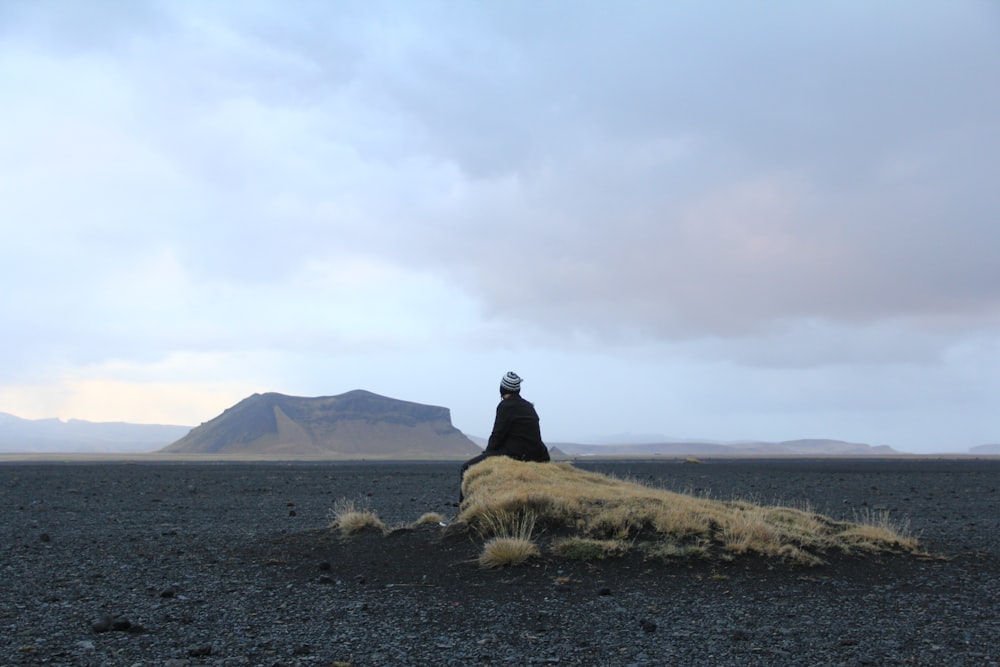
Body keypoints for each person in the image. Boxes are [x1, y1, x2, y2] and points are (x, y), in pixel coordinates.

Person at [458, 371, 550, 503]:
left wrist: (487, 453)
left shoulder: (505, 406)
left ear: (502, 388)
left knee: (466, 468)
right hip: (538, 455)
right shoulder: (529, 406)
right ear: (518, 389)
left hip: (515, 454)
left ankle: (463, 513)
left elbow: (498, 434)